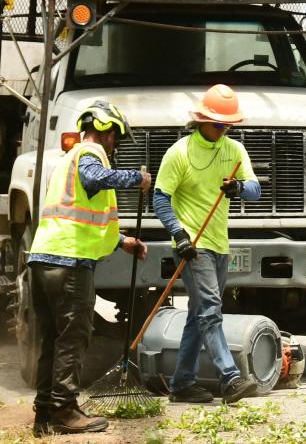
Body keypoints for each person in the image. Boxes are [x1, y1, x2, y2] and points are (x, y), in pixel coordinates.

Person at [29, 100, 150, 436]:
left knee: (54, 340)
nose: (115, 144)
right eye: (115, 137)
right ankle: (65, 411)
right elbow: (95, 179)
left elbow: (78, 217)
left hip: (44, 258)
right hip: (69, 264)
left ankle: (45, 412)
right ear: (107, 131)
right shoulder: (89, 154)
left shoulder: (65, 161)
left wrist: (122, 242)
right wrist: (136, 177)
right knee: (73, 338)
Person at [152, 84, 261, 404]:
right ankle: (230, 377)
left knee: (199, 313)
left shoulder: (234, 151)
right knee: (211, 310)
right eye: (217, 123)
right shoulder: (180, 152)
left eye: (228, 124)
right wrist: (178, 233)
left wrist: (238, 187)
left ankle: (182, 382)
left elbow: (256, 190)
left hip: (219, 245)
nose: (223, 129)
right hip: (192, 245)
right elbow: (161, 200)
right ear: (200, 119)